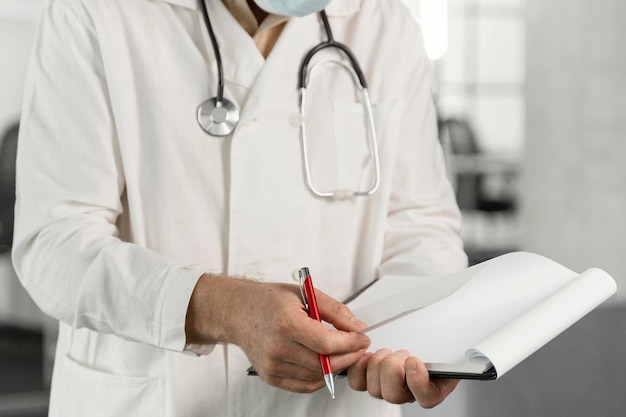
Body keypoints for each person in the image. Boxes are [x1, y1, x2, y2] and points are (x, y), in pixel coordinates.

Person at [12, 0, 468, 415]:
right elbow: (54, 243)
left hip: (336, 403)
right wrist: (222, 308)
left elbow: (421, 226)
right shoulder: (94, 12)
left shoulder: (385, 23)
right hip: (154, 398)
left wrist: (416, 336)